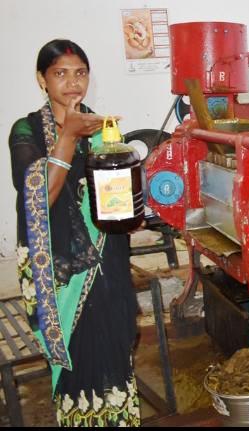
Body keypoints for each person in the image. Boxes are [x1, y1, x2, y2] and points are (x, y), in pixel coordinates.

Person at [9, 39, 140, 427]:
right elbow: (39, 196)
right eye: (60, 74)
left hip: (107, 258)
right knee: (78, 357)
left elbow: (120, 193)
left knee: (115, 348)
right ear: (41, 79)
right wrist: (68, 135)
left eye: (79, 73)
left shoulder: (102, 127)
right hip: (61, 268)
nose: (72, 83)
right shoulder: (26, 129)